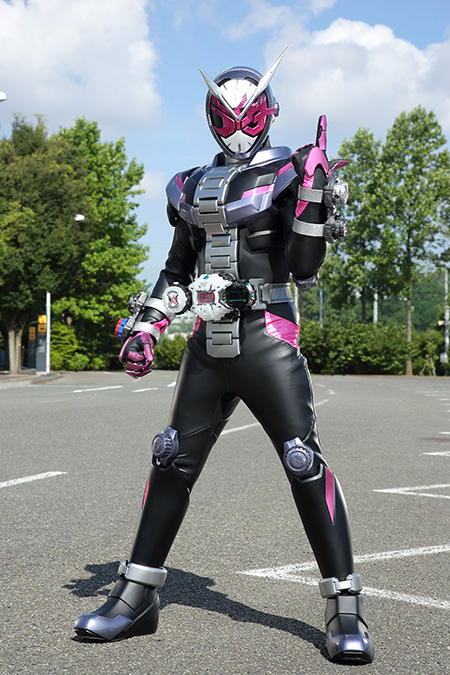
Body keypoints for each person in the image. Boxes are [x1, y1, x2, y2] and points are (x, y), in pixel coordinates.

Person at [74, 53, 374, 664]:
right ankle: (137, 594)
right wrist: (148, 326)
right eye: (226, 115)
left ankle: (345, 605)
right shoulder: (188, 185)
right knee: (170, 459)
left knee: (302, 461)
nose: (238, 127)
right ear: (211, 115)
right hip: (208, 344)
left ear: (268, 111)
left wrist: (313, 195)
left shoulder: (289, 172)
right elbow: (176, 269)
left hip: (268, 335)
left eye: (248, 114)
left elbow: (304, 268)